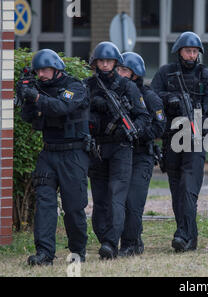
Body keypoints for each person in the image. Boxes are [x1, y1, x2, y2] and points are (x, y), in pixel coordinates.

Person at [18, 49, 90, 265]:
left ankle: (77, 251)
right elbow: (26, 117)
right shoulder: (38, 88)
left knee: (73, 207)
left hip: (73, 154)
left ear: (56, 68)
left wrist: (36, 96)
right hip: (48, 153)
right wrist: (26, 96)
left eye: (45, 69)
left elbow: (61, 107)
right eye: (38, 70)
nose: (41, 74)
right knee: (45, 204)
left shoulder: (74, 86)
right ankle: (44, 254)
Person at [151, 32, 208, 252]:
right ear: (179, 51)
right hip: (172, 138)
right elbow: (151, 97)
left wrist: (203, 131)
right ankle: (189, 236)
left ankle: (182, 234)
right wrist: (168, 99)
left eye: (195, 51)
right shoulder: (165, 73)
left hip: (195, 139)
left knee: (188, 188)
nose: (191, 55)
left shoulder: (205, 76)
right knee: (177, 190)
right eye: (188, 50)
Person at [86, 42, 151, 259]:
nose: (105, 65)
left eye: (109, 61)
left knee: (117, 196)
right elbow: (78, 116)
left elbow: (144, 117)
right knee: (100, 199)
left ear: (116, 63)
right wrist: (92, 113)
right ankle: (105, 238)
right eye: (101, 61)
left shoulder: (127, 87)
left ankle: (111, 243)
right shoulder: (87, 86)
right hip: (97, 148)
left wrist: (133, 130)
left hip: (122, 148)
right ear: (95, 63)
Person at [116, 52, 166, 256]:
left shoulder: (149, 96)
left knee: (133, 202)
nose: (119, 74)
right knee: (117, 202)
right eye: (118, 69)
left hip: (141, 156)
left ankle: (130, 244)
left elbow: (160, 126)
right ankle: (131, 240)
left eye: (124, 70)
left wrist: (138, 132)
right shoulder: (114, 93)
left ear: (135, 74)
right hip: (119, 154)